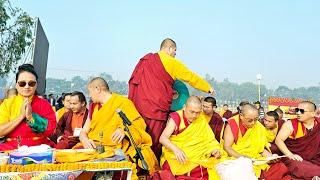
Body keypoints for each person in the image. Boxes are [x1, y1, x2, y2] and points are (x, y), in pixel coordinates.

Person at [128, 38, 215, 159]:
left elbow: (134, 82)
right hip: (155, 109)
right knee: (153, 140)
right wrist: (207, 87)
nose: (175, 54)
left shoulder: (146, 60)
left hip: (138, 107)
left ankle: (138, 167)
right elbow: (190, 76)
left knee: (138, 136)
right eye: (175, 51)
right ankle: (152, 169)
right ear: (169, 48)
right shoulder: (171, 62)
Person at [78, 77, 158, 173]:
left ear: (98, 89)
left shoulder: (123, 103)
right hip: (93, 148)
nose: (89, 95)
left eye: (90, 92)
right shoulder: (93, 107)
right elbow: (83, 131)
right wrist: (84, 139)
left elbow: (138, 124)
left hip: (114, 149)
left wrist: (124, 130)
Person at [159, 96, 222, 179]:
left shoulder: (201, 119)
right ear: (185, 107)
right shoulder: (177, 117)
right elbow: (163, 138)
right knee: (172, 169)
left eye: (197, 112)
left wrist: (214, 150)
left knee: (218, 165)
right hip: (176, 154)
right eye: (192, 112)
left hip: (197, 154)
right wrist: (176, 150)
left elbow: (209, 140)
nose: (194, 115)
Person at [222, 104, 290, 179]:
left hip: (256, 159)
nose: (253, 123)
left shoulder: (259, 127)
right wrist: (244, 158)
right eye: (250, 120)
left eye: (256, 119)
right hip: (237, 158)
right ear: (241, 115)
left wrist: (270, 157)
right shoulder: (233, 124)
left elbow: (261, 149)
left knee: (280, 167)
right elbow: (227, 147)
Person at [0, 64, 56, 150]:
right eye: (22, 83)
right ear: (16, 85)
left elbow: (51, 130)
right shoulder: (8, 104)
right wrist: (21, 116)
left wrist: (31, 117)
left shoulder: (44, 104)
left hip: (39, 148)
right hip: (11, 147)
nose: (27, 87)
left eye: (31, 83)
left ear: (36, 85)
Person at [275, 101, 320, 179]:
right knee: (299, 166)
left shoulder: (318, 124)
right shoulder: (290, 124)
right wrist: (290, 155)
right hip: (295, 157)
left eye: (301, 111)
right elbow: (278, 140)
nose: (298, 113)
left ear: (313, 113)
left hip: (315, 157)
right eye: (297, 110)